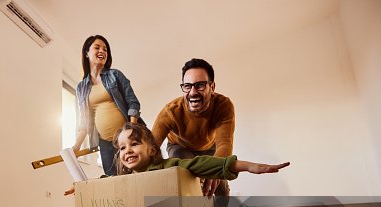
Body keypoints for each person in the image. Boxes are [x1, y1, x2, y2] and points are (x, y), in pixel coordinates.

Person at [151, 58, 234, 198]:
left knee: (221, 185)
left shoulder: (223, 105)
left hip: (210, 148)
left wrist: (217, 171)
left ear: (212, 87)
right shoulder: (170, 112)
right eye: (187, 86)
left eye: (200, 85)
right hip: (180, 146)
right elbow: (150, 148)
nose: (193, 92)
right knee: (186, 176)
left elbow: (225, 143)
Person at [72, 35, 144, 176]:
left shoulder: (115, 75)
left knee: (138, 176)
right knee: (114, 181)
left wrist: (129, 132)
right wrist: (77, 145)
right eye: (97, 47)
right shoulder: (81, 87)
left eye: (105, 49)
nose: (102, 51)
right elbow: (85, 121)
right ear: (87, 53)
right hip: (105, 144)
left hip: (128, 137)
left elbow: (133, 102)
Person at [113, 123, 289, 178]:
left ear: (152, 150)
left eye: (134, 144)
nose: (127, 150)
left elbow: (203, 164)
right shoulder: (122, 181)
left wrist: (248, 166)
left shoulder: (169, 167)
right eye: (122, 147)